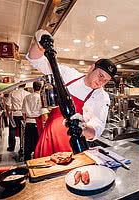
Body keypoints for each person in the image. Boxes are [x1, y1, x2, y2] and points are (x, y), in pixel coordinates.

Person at [26, 30, 117, 158]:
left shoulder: (101, 97)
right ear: (91, 68)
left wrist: (83, 129)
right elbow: (35, 59)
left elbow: (98, 128)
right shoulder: (69, 75)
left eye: (105, 80)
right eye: (100, 75)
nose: (101, 82)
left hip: (73, 145)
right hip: (50, 136)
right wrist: (39, 40)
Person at [22, 81, 49, 161]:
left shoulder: (26, 97)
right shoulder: (41, 97)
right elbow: (44, 113)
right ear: (41, 88)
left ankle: (26, 161)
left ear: (33, 88)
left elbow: (23, 112)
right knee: (38, 143)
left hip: (28, 122)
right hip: (37, 123)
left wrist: (25, 121)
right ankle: (37, 160)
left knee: (28, 144)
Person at [5, 84, 30, 152]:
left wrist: (8, 114)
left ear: (18, 85)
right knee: (23, 132)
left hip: (14, 114)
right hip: (24, 114)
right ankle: (22, 148)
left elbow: (7, 105)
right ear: (24, 86)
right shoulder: (28, 94)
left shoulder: (12, 93)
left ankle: (11, 147)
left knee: (12, 131)